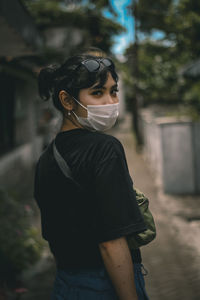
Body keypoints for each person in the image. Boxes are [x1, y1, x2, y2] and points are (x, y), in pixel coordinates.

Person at [34, 52, 150, 300]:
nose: (111, 101)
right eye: (98, 93)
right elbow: (111, 242)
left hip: (66, 284)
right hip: (104, 285)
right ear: (67, 100)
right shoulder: (105, 148)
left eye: (114, 91)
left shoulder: (46, 159)